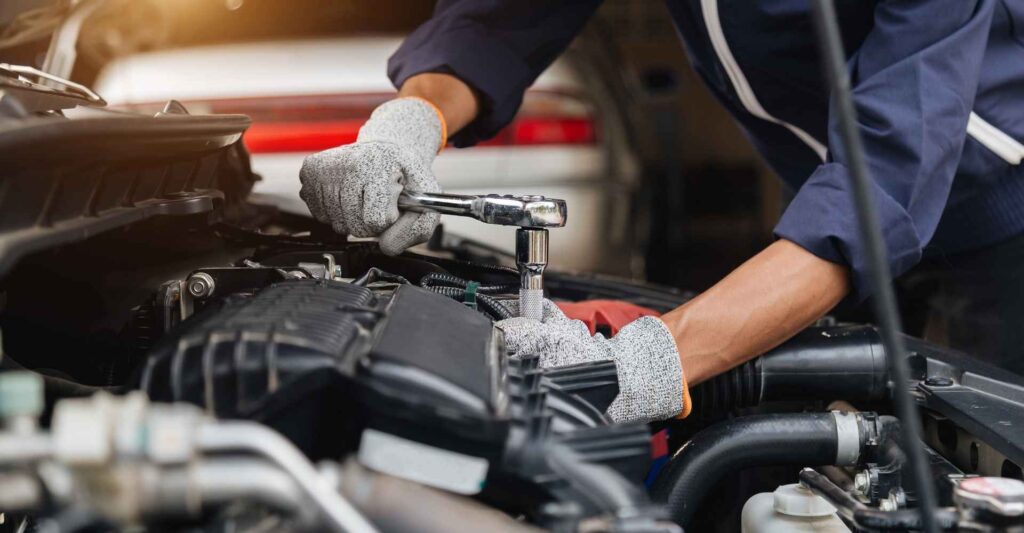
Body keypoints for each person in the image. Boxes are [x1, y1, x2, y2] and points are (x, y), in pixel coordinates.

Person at [299, 1, 1024, 423]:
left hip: (1000, 218)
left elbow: (888, 177)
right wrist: (412, 122)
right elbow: (498, 19)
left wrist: (647, 357)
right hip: (834, 214)